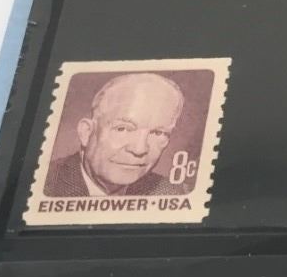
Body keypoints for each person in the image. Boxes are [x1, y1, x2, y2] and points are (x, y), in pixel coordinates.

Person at [45, 71, 185, 197]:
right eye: (122, 129)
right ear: (86, 132)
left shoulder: (173, 193)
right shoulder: (46, 184)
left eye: (158, 133)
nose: (139, 149)